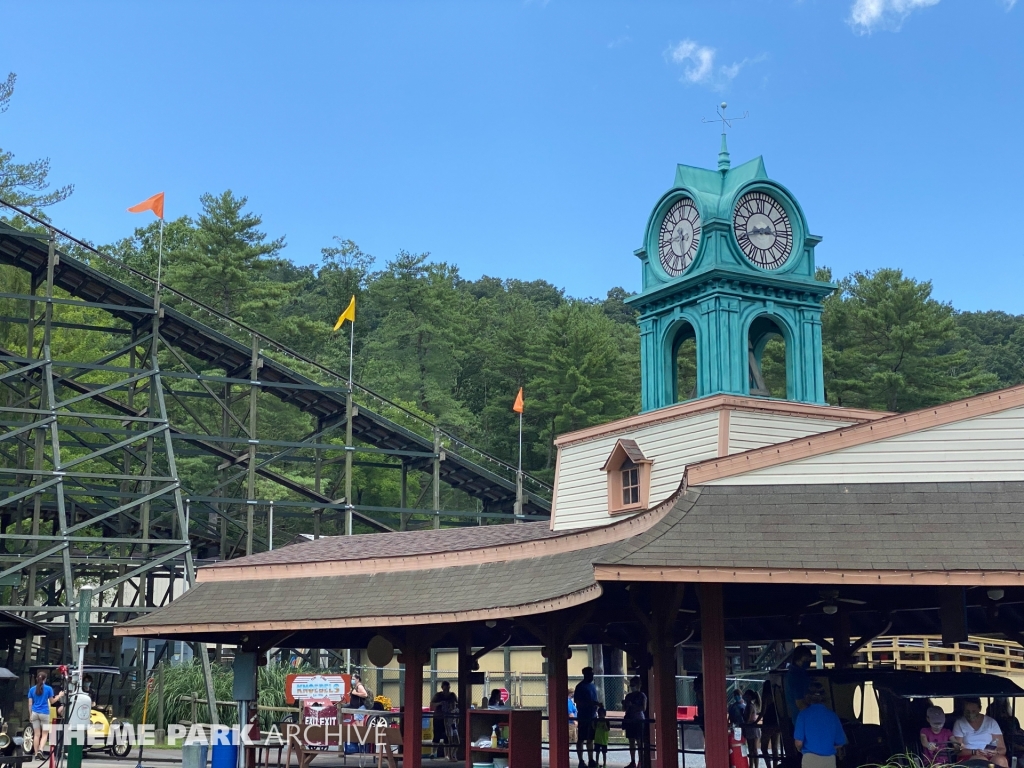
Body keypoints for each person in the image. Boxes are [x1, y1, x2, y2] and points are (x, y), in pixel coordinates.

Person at [792, 681, 846, 768]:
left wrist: (800, 749)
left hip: (810, 759)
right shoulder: (833, 716)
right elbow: (840, 742)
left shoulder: (803, 715)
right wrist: (827, 748)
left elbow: (798, 742)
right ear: (824, 697)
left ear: (807, 697)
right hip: (829, 760)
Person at [953, 697, 1008, 767]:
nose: (970, 714)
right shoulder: (959, 723)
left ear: (980, 709)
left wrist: (995, 752)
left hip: (990, 755)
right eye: (967, 711)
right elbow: (958, 750)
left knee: (1001, 760)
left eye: (973, 711)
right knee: (980, 761)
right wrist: (974, 752)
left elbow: (1002, 749)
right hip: (969, 756)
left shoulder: (991, 722)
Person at [28, 670, 62, 759]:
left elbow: (30, 704)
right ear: (45, 679)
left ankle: (36, 754)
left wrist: (30, 714)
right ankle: (41, 750)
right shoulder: (48, 689)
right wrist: (59, 696)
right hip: (45, 713)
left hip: (35, 713)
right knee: (44, 734)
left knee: (36, 735)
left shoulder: (32, 689)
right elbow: (52, 701)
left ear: (37, 679)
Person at [573, 667, 600, 768]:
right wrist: (591, 703)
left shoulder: (592, 686)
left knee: (590, 738)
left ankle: (591, 759)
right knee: (581, 738)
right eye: (590, 674)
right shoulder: (580, 687)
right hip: (584, 716)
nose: (592, 676)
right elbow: (577, 701)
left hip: (592, 716)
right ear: (585, 674)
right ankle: (581, 760)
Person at [622, 676, 647, 768]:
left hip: (639, 720)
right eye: (631, 685)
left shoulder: (642, 695)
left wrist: (632, 706)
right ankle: (632, 761)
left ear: (638, 685)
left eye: (633, 685)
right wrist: (625, 705)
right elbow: (624, 709)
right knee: (631, 741)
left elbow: (643, 708)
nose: (632, 687)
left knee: (639, 741)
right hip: (629, 720)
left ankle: (641, 761)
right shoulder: (628, 696)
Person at [431, 682, 459, 760]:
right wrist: (440, 703)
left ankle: (447, 755)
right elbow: (432, 704)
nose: (446, 690)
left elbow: (457, 704)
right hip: (439, 718)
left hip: (449, 719)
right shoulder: (438, 695)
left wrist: (452, 707)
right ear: (442, 688)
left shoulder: (452, 695)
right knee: (436, 735)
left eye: (447, 688)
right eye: (444, 688)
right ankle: (433, 753)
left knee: (448, 737)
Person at [786, 647, 814, 721]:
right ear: (797, 659)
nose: (808, 662)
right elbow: (800, 703)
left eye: (809, 660)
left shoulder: (794, 673)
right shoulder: (797, 676)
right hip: (803, 717)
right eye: (805, 659)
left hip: (799, 716)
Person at [759, 680, 781, 768]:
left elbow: (763, 711)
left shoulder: (765, 696)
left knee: (764, 748)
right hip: (776, 723)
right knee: (775, 747)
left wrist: (756, 721)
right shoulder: (776, 695)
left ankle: (768, 766)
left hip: (767, 723)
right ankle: (775, 765)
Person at [743, 688, 762, 768]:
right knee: (752, 749)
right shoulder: (751, 705)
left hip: (751, 729)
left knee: (753, 749)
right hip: (751, 728)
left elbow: (747, 719)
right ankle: (752, 765)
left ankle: (754, 766)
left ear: (750, 697)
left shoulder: (749, 706)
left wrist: (742, 715)